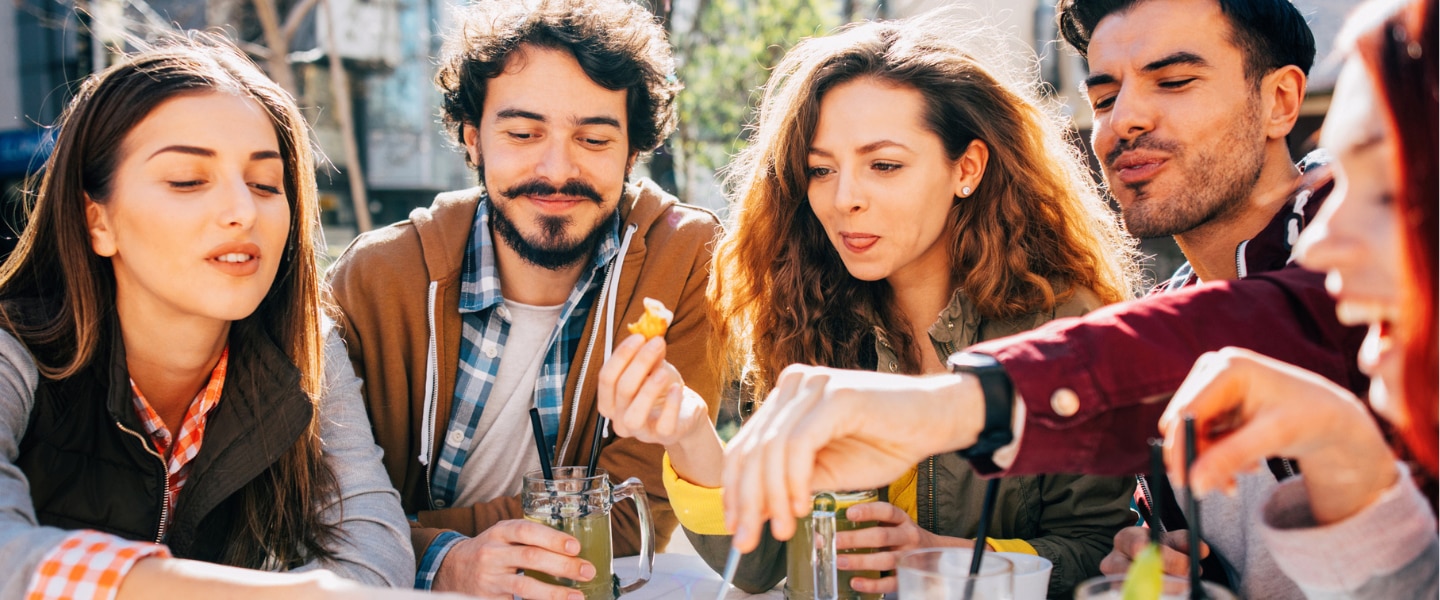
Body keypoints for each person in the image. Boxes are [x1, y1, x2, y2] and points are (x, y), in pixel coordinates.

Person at [719, 1, 1373, 598]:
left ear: (1282, 101)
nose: (1127, 118)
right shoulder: (1175, 303)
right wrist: (1164, 565)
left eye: (1174, 81)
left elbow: (1286, 318)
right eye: (1106, 94)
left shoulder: (1361, 251)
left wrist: (951, 407)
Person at [597, 17, 1139, 596]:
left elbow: (1102, 555)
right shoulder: (806, 314)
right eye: (821, 170)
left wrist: (937, 557)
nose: (844, 199)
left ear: (967, 168)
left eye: (884, 166)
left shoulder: (1063, 324)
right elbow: (757, 565)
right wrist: (688, 434)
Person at [0, 38, 437, 599]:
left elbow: (373, 555)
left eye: (265, 184)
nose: (241, 211)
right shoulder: (15, 349)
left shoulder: (306, 349)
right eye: (187, 179)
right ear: (97, 221)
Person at [326, 0, 723, 597]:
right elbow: (313, 510)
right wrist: (447, 560)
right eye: (521, 133)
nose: (557, 169)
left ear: (631, 153)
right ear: (474, 140)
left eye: (593, 138)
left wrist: (406, 537)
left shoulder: (685, 261)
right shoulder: (377, 276)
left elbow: (630, 514)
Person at [1159, 0, 1438, 597]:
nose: (1322, 247)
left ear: (1282, 101)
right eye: (1102, 96)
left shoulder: (1306, 281)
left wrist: (985, 393)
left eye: (1390, 194)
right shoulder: (1163, 303)